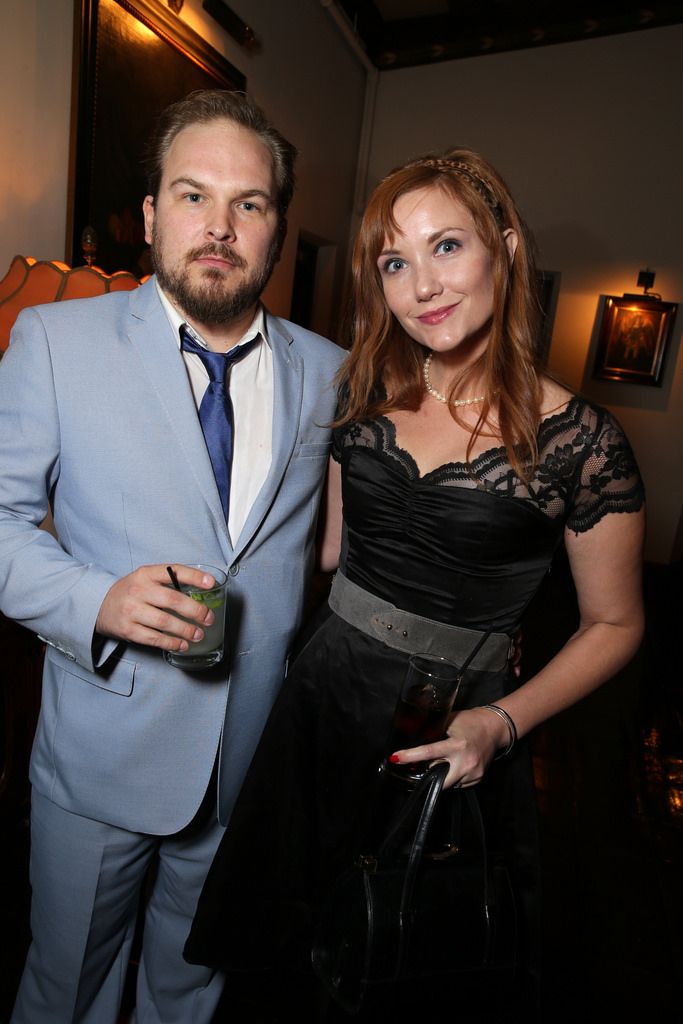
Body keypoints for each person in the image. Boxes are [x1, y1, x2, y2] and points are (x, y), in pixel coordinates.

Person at [184, 146, 646, 1021]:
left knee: (395, 964)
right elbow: (320, 552)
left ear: (505, 248)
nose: (422, 285)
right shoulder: (362, 391)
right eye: (395, 262)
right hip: (321, 697)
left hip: (448, 727)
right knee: (278, 962)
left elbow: (615, 626)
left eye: (447, 247)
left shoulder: (582, 442)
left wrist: (499, 725)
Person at [0, 88, 344, 1024]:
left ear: (277, 228)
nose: (220, 227)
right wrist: (94, 602)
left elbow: (329, 545)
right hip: (102, 759)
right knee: (66, 987)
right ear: (151, 214)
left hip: (244, 765)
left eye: (250, 203)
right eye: (193, 196)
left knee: (192, 988)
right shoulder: (54, 342)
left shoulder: (333, 372)